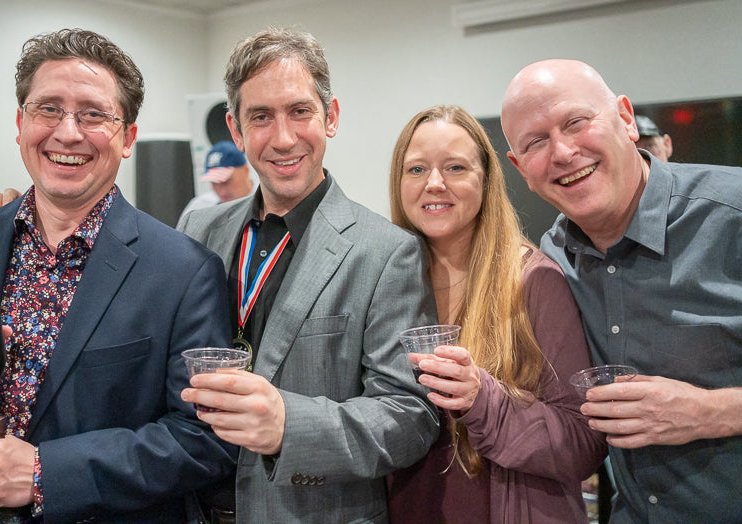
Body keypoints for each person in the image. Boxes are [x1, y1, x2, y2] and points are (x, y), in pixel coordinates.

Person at [0, 29, 237, 522]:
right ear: (20, 123)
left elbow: (201, 440)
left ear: (128, 138)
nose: (68, 132)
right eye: (48, 109)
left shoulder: (184, 271)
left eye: (94, 114)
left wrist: (44, 472)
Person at [176, 27, 439, 523]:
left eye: (300, 111)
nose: (283, 138)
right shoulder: (197, 227)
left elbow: (409, 417)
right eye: (260, 117)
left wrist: (287, 425)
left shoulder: (385, 252)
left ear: (330, 117)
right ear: (235, 131)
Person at [501, 59, 742, 523]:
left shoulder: (731, 215)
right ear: (519, 168)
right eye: (535, 142)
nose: (564, 152)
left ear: (626, 119)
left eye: (576, 122)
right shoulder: (551, 260)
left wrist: (715, 412)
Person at [385, 105, 607, 523]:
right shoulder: (383, 286)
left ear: (486, 180)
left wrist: (482, 399)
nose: (434, 184)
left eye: (455, 167)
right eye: (416, 170)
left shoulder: (534, 280)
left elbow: (584, 443)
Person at [176, 140, 256, 221]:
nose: (222, 191)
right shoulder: (200, 208)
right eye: (214, 183)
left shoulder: (264, 203)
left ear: (246, 170)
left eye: (226, 182)